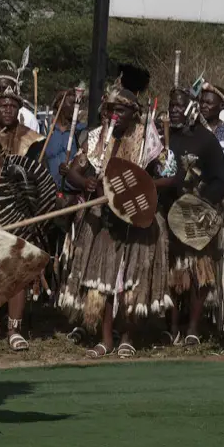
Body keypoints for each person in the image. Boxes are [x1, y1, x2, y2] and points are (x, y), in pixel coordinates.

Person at [59, 65, 168, 358]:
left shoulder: (148, 138)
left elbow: (169, 175)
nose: (115, 116)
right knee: (104, 281)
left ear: (134, 113)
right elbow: (73, 173)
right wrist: (87, 181)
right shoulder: (97, 137)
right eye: (111, 110)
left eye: (122, 110)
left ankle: (127, 337)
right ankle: (105, 339)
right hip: (103, 219)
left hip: (137, 219)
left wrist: (139, 187)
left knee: (129, 283)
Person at [0, 73, 56, 351]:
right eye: (1, 105)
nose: (7, 110)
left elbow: (40, 182)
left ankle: (14, 329)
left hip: (19, 214)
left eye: (12, 105)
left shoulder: (32, 140)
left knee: (16, 271)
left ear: (19, 109)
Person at [159, 90, 224, 347]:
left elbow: (220, 180)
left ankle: (192, 328)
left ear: (190, 109)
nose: (174, 110)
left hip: (197, 216)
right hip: (166, 213)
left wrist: (201, 200)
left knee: (197, 272)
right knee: (171, 274)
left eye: (179, 106)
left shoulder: (206, 140)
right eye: (171, 105)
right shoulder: (162, 138)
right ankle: (172, 327)